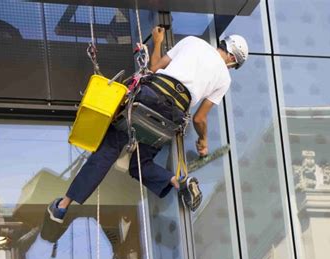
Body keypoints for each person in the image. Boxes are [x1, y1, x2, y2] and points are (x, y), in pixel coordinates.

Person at [47, 26, 248, 223]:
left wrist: (157, 42)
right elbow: (199, 119)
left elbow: (153, 69)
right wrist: (203, 141)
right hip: (170, 118)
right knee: (140, 165)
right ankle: (178, 182)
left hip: (148, 100)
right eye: (235, 65)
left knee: (108, 150)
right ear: (232, 58)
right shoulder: (224, 79)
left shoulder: (193, 42)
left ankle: (63, 205)